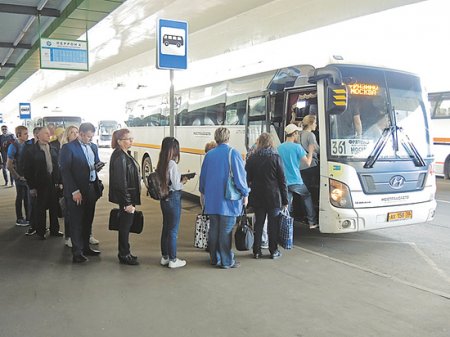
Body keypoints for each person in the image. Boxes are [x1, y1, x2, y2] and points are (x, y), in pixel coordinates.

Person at [199, 127, 250, 269]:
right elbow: (240, 177)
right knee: (226, 231)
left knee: (214, 229)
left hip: (212, 200)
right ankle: (227, 261)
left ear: (216, 138)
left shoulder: (209, 155)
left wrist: (202, 193)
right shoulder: (233, 153)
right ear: (228, 138)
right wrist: (245, 193)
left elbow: (203, 178)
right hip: (229, 201)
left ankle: (214, 258)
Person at [59, 122, 103, 263]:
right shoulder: (68, 148)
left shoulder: (93, 147)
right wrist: (74, 191)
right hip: (77, 191)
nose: (90, 139)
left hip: (91, 188)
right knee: (76, 221)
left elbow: (95, 163)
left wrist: (98, 166)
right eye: (88, 137)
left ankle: (86, 248)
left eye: (92, 137)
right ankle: (77, 252)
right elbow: (65, 171)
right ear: (81, 134)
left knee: (87, 220)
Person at [246, 133, 288, 259]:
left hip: (258, 196)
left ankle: (257, 251)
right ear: (271, 143)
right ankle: (273, 251)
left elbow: (247, 178)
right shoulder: (276, 158)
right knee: (272, 225)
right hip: (273, 197)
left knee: (259, 223)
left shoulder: (252, 158)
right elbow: (282, 181)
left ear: (259, 143)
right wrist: (285, 200)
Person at [22, 127, 62, 240]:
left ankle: (55, 229)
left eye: (49, 133)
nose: (48, 135)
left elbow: (57, 167)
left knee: (54, 207)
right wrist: (32, 187)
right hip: (40, 184)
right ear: (37, 135)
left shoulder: (53, 148)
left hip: (52, 183)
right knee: (40, 208)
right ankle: (41, 231)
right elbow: (27, 170)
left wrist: (59, 181)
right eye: (45, 133)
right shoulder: (31, 150)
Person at [109, 129, 141, 265]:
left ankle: (125, 252)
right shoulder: (120, 157)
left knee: (125, 226)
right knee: (124, 227)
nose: (131, 141)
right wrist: (127, 202)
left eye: (131, 138)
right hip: (126, 199)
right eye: (128, 139)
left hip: (128, 197)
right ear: (119, 141)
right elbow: (120, 182)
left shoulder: (124, 154)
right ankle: (124, 254)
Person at [278, 124, 318, 229]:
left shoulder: (279, 147)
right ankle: (312, 222)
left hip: (284, 181)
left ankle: (287, 225)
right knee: (306, 196)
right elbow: (308, 163)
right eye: (297, 134)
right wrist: (311, 150)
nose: (298, 136)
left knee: (287, 203)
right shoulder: (297, 147)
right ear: (294, 134)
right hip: (296, 180)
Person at [156, 137, 188, 268]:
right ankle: (173, 260)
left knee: (166, 228)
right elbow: (176, 185)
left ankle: (165, 257)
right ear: (174, 149)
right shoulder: (172, 164)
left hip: (164, 199)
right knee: (173, 231)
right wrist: (183, 182)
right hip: (173, 198)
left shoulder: (161, 163)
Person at [6, 126, 30, 227]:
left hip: (26, 176)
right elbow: (9, 165)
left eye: (27, 133)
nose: (27, 135)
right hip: (20, 177)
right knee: (20, 197)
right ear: (18, 135)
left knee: (27, 198)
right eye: (25, 134)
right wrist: (18, 177)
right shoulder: (13, 146)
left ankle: (29, 218)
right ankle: (19, 219)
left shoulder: (27, 144)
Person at [59, 126, 79, 248]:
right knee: (69, 213)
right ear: (67, 135)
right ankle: (69, 237)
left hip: (80, 185)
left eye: (77, 132)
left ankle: (82, 235)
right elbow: (64, 170)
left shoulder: (81, 147)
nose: (75, 135)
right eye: (72, 133)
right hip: (68, 186)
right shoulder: (65, 149)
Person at [299, 115, 320, 210]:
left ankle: (303, 210)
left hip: (301, 165)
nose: (316, 125)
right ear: (311, 123)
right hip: (311, 165)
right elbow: (316, 149)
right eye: (315, 122)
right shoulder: (311, 135)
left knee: (305, 188)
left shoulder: (299, 134)